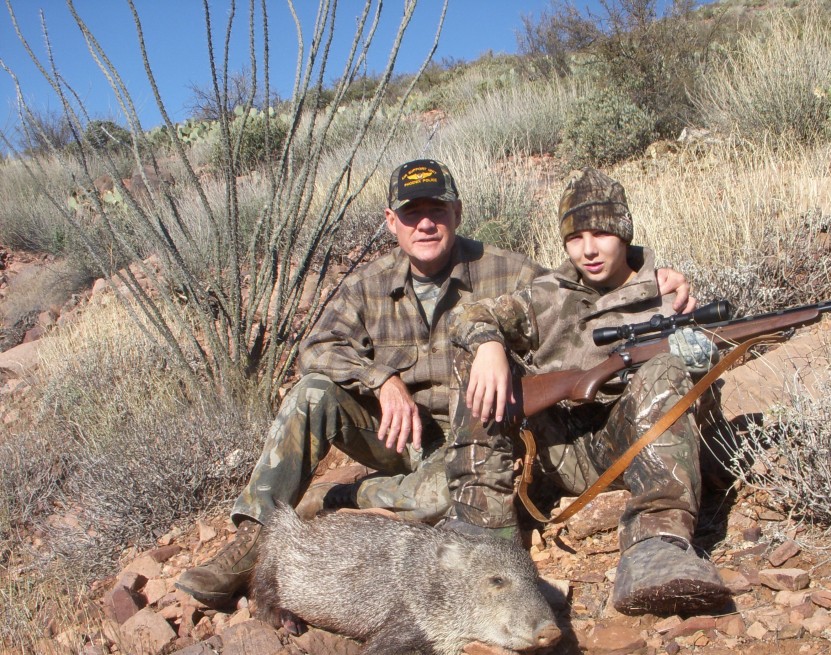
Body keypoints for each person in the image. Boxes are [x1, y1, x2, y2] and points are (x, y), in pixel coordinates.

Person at [176, 158, 696, 608]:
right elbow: (315, 351)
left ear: (457, 213)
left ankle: (347, 498)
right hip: (392, 434)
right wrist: (382, 381)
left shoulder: (509, 271)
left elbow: (579, 291)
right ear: (391, 221)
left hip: (476, 439)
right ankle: (251, 539)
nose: (425, 224)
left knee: (441, 502)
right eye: (411, 214)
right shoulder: (366, 286)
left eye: (436, 211)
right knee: (312, 393)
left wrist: (652, 280)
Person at [444, 166, 730, 616]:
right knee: (475, 356)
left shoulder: (666, 296)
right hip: (554, 451)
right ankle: (483, 532)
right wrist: (489, 345)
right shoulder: (546, 295)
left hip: (638, 450)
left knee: (669, 367)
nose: (589, 250)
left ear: (625, 233)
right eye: (576, 238)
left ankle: (658, 545)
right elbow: (468, 316)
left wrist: (698, 360)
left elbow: (705, 407)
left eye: (602, 233)